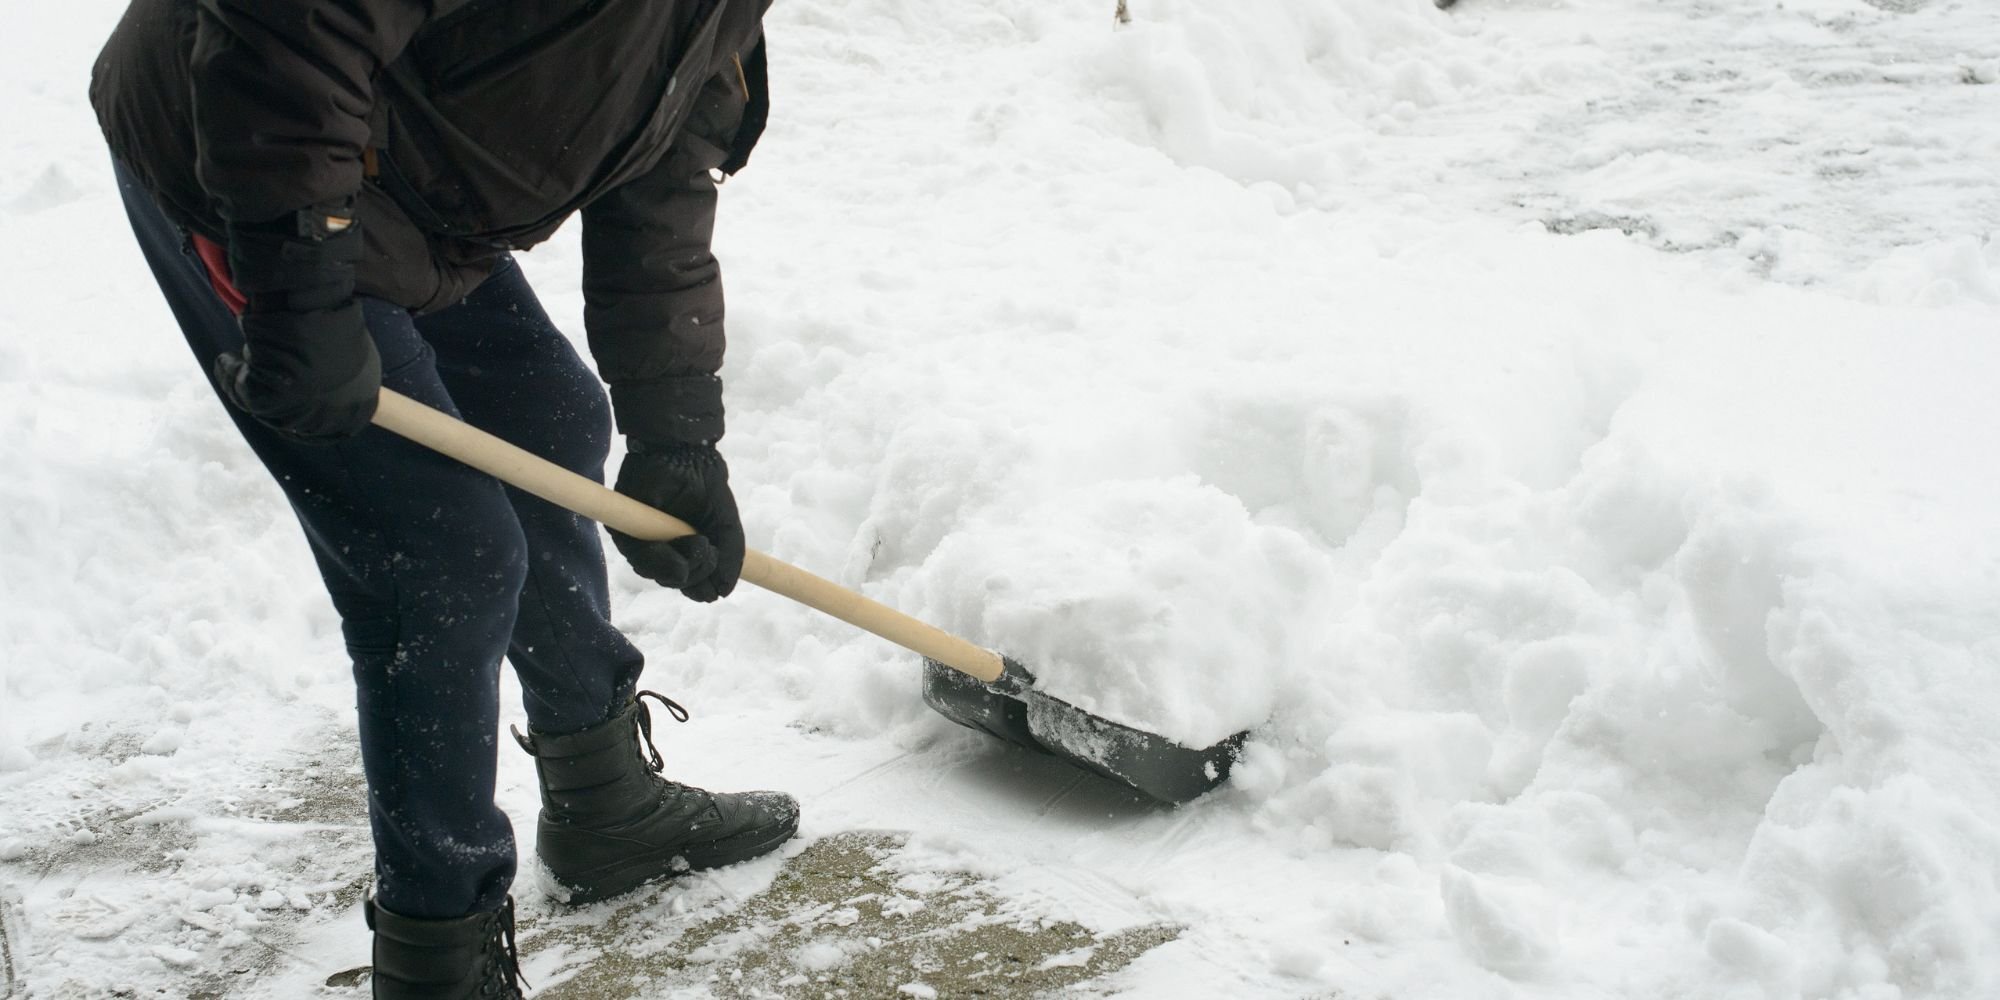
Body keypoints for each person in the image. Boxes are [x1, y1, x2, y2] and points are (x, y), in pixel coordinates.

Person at [91, 1, 794, 995]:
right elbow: (290, 31)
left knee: (548, 418)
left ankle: (603, 799)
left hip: (399, 175)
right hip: (244, 150)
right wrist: (301, 291)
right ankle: (437, 958)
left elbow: (663, 162)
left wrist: (675, 432)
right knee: (440, 554)